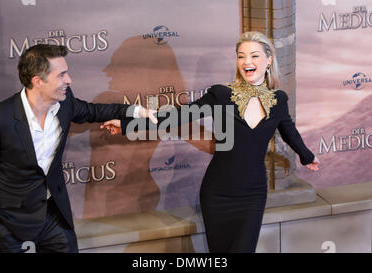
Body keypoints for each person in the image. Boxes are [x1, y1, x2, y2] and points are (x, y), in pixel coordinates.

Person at [103, 31, 320, 253]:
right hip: (218, 193)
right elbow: (177, 116)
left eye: (254, 56)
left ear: (269, 59)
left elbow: (290, 133)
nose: (247, 62)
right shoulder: (221, 94)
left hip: (252, 195)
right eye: (241, 56)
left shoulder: (279, 101)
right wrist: (127, 124)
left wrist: (307, 156)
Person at [0, 44, 155, 253]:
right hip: (11, 225)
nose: (69, 80)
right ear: (38, 81)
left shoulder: (65, 103)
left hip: (53, 217)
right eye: (61, 75)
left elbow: (94, 111)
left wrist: (135, 110)